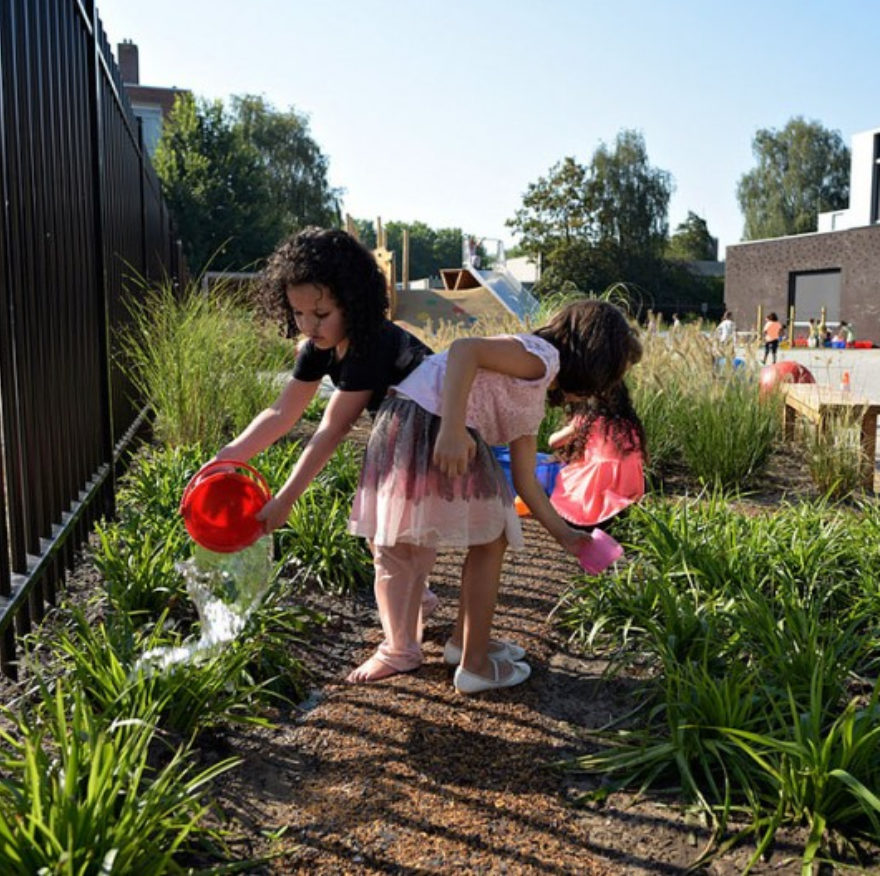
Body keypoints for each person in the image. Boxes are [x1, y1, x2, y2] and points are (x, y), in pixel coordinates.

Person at [347, 299, 643, 693]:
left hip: (420, 424)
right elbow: (465, 348)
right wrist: (452, 428)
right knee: (490, 538)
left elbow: (525, 479)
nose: (604, 390)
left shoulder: (533, 386)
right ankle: (474, 665)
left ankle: (465, 645)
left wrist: (568, 536)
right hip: (424, 424)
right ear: (595, 359)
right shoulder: (539, 357)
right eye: (608, 376)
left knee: (492, 536)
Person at [207, 227, 437, 605]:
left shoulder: (371, 342)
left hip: (435, 432)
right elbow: (281, 412)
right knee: (382, 532)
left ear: (353, 303)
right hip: (400, 434)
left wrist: (285, 499)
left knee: (395, 534)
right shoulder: (318, 345)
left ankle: (410, 620)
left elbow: (332, 428)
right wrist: (225, 459)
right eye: (297, 313)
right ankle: (414, 601)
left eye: (321, 313)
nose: (308, 325)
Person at [547, 386, 646, 531]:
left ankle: (587, 513)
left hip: (595, 491)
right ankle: (617, 512)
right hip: (628, 491)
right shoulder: (631, 425)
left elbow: (553, 442)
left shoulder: (589, 420)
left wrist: (573, 427)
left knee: (563, 475)